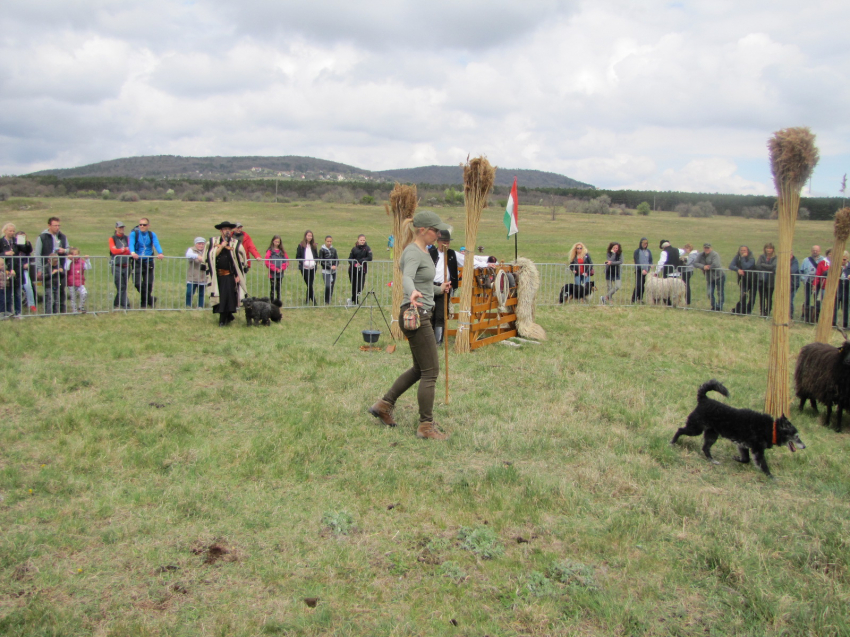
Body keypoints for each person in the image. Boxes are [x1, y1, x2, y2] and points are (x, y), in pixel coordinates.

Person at [368, 210, 452, 440]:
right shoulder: (413, 253)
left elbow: (424, 285)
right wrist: (411, 290)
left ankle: (384, 405)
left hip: (420, 309)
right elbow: (407, 277)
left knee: (420, 369)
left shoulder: (425, 251)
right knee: (431, 372)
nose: (438, 234)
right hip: (417, 314)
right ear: (423, 230)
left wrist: (438, 289)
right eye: (435, 230)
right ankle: (426, 426)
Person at [203, 221, 247, 326]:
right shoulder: (213, 242)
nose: (227, 231)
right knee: (220, 296)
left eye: (229, 229)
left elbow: (238, 260)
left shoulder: (235, 243)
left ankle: (223, 319)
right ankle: (227, 317)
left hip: (230, 275)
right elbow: (211, 256)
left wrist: (237, 275)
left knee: (229, 297)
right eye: (225, 229)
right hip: (217, 275)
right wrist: (222, 246)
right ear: (221, 230)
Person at [428, 229, 459, 344]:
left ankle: (438, 341)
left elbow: (469, 260)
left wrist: (488, 262)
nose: (445, 244)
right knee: (429, 313)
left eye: (447, 242)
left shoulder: (452, 254)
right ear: (438, 242)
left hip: (445, 287)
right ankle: (429, 339)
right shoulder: (431, 253)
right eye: (443, 241)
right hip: (431, 286)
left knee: (441, 314)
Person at [129, 217, 164, 308]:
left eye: (144, 225)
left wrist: (160, 253)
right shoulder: (134, 234)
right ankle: (150, 299)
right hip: (137, 261)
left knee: (148, 283)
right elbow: (131, 244)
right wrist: (132, 252)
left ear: (148, 226)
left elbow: (156, 243)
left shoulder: (152, 234)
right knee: (137, 283)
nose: (142, 226)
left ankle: (144, 304)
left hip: (149, 261)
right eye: (140, 224)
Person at [36, 217, 69, 314]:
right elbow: (37, 254)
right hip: (47, 269)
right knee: (49, 291)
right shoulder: (42, 237)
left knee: (61, 289)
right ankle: (48, 311)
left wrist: (64, 250)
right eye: (55, 225)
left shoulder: (63, 237)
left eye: (58, 225)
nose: (57, 227)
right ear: (49, 226)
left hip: (60, 268)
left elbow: (68, 249)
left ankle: (60, 310)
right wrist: (39, 269)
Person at [0, 222, 31, 316]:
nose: (12, 232)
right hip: (5, 270)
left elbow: (26, 250)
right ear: (5, 231)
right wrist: (5, 254)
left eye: (13, 231)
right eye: (10, 231)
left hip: (17, 269)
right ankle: (7, 312)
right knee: (7, 294)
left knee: (17, 293)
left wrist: (26, 242)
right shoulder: (1, 241)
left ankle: (18, 312)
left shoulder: (17, 240)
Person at [694, 243, 725, 311]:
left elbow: (716, 264)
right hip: (709, 277)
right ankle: (713, 305)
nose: (706, 249)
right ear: (703, 248)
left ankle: (719, 307)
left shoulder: (715, 254)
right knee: (709, 292)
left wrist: (708, 267)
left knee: (720, 292)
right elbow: (695, 263)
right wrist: (703, 266)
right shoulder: (701, 255)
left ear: (711, 248)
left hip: (719, 276)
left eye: (708, 248)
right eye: (705, 248)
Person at [109, 222, 132, 309]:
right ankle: (126, 304)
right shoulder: (112, 238)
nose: (121, 229)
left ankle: (116, 303)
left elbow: (130, 250)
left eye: (122, 227)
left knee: (124, 285)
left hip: (126, 265)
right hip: (116, 265)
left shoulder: (127, 238)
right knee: (120, 285)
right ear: (116, 228)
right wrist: (123, 250)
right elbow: (113, 251)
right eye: (119, 227)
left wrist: (123, 250)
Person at [729, 245, 756, 314]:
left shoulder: (751, 258)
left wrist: (743, 258)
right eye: (741, 250)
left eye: (744, 250)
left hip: (753, 279)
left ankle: (748, 311)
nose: (743, 252)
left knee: (752, 297)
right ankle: (742, 310)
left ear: (747, 251)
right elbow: (731, 265)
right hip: (743, 279)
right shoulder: (737, 257)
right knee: (743, 295)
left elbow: (746, 267)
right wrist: (737, 269)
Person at [800, 245, 823, 322]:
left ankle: (816, 317)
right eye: (813, 250)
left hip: (819, 284)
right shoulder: (806, 260)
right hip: (808, 282)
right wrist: (804, 280)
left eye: (816, 250)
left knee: (817, 300)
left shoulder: (823, 260)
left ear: (819, 251)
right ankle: (805, 316)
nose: (815, 252)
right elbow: (801, 271)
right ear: (811, 251)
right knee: (807, 299)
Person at [348, 234, 372, 306]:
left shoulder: (367, 248)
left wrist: (362, 261)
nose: (362, 241)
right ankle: (355, 301)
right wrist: (355, 263)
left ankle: (352, 299)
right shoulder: (354, 249)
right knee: (354, 286)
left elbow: (370, 258)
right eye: (361, 240)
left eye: (363, 240)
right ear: (358, 240)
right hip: (353, 270)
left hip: (362, 270)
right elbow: (350, 259)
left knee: (360, 287)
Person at [64, 247, 91, 313]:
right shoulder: (68, 261)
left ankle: (80, 307)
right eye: (73, 254)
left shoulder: (81, 261)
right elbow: (66, 268)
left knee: (84, 293)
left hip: (80, 282)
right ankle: (74, 310)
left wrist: (87, 260)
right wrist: (69, 260)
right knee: (73, 297)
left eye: (76, 254)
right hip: (71, 282)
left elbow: (88, 267)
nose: (75, 256)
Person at [296, 230, 319, 305]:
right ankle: (314, 301)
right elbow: (298, 257)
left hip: (312, 267)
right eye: (308, 235)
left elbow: (316, 256)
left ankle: (307, 300)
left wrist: (315, 262)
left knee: (310, 284)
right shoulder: (301, 246)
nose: (309, 237)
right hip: (304, 267)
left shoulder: (314, 246)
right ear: (305, 236)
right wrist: (303, 262)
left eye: (311, 236)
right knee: (309, 284)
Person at [755, 242, 777, 317]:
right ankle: (762, 312)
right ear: (765, 249)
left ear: (773, 249)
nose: (769, 250)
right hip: (761, 280)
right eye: (767, 248)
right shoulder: (761, 257)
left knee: (769, 297)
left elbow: (773, 266)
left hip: (770, 281)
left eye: (770, 248)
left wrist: (763, 265)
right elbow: (758, 266)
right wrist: (768, 266)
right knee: (762, 297)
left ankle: (768, 311)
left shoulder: (775, 257)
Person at [264, 236, 288, 302]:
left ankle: (278, 301)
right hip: (272, 273)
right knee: (273, 288)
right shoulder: (269, 251)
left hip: (280, 273)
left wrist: (282, 268)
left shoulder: (282, 251)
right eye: (276, 241)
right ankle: (272, 302)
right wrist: (275, 269)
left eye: (278, 242)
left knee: (279, 288)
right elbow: (267, 261)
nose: (277, 243)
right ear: (273, 241)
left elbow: (286, 261)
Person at [186, 237, 207, 308]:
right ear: (195, 244)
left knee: (201, 293)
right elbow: (188, 255)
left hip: (203, 276)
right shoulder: (191, 250)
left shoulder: (206, 250)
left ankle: (200, 306)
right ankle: (188, 306)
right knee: (189, 292)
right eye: (199, 244)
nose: (201, 245)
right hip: (193, 276)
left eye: (202, 244)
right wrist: (197, 256)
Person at [318, 235, 339, 305]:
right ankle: (326, 299)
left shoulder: (334, 250)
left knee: (332, 285)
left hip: (333, 271)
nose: (329, 243)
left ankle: (329, 298)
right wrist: (329, 267)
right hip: (326, 271)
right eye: (328, 241)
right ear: (325, 241)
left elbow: (337, 259)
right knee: (327, 285)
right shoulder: (322, 250)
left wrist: (335, 265)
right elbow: (321, 261)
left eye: (330, 241)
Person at [631, 237, 652, 303]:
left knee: (643, 285)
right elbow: (637, 261)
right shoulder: (637, 251)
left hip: (646, 271)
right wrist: (641, 269)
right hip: (639, 271)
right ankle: (634, 298)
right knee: (638, 285)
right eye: (644, 243)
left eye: (646, 243)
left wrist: (650, 265)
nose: (645, 245)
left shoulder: (648, 251)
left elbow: (650, 260)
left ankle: (640, 299)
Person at [814, 248, 832, 322]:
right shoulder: (822, 263)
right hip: (824, 287)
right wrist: (815, 284)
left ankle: (830, 319)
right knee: (822, 304)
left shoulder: (836, 263)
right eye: (830, 254)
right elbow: (818, 274)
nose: (831, 255)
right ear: (827, 254)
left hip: (833, 287)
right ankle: (821, 319)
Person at [836, 251, 850, 329]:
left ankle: (845, 324)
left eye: (844, 259)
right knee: (835, 307)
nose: (843, 261)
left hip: (847, 290)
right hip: (838, 289)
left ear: (847, 259)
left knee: (846, 308)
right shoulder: (836, 266)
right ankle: (833, 323)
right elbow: (825, 273)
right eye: (841, 259)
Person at [790, 251, 800, 320]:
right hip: (784, 284)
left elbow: (792, 270)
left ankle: (790, 316)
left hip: (793, 284)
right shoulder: (782, 259)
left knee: (789, 300)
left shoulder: (795, 261)